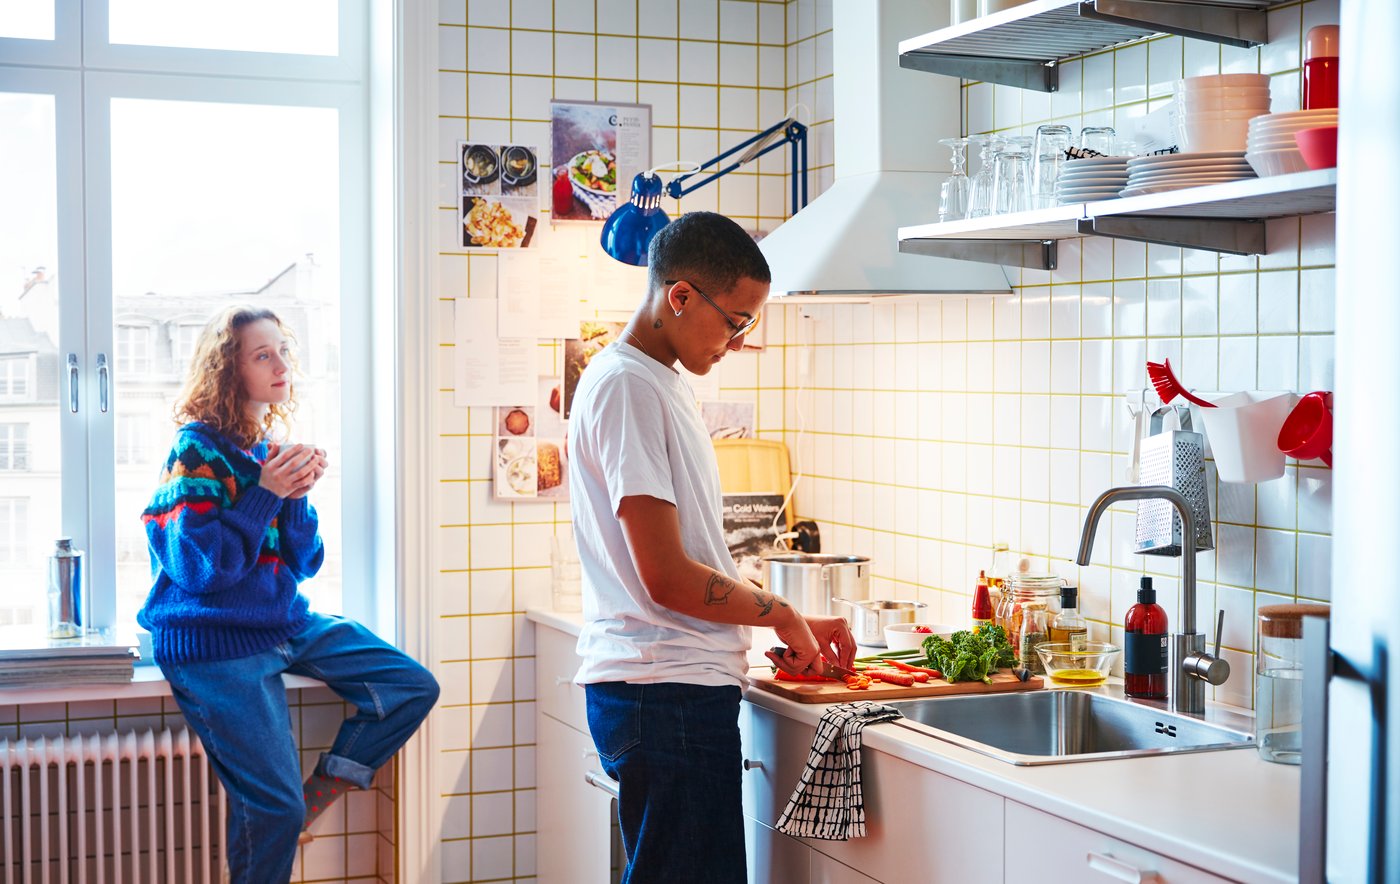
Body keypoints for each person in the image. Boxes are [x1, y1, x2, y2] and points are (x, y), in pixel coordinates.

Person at [568, 212, 856, 883]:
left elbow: (691, 558)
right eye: (735, 321)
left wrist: (782, 615)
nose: (738, 340)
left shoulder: (657, 382)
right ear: (680, 296)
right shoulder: (629, 387)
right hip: (664, 696)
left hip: (668, 691)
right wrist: (781, 613)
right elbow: (667, 578)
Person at [138, 306, 439, 883]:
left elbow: (305, 562)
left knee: (411, 686)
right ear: (228, 370)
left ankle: (317, 793)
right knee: (274, 810)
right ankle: (290, 812)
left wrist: (294, 495)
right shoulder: (194, 452)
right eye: (263, 355)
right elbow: (201, 569)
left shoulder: (266, 448)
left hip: (280, 622)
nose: (282, 366)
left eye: (283, 351)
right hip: (213, 641)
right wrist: (266, 492)